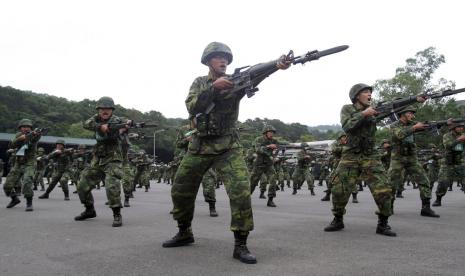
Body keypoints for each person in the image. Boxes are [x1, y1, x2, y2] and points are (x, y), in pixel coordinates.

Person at [162, 42, 290, 264]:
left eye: (226, 58)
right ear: (208, 61)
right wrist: (214, 88)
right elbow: (192, 107)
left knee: (241, 192)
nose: (223, 61)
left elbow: (256, 75)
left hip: (228, 146)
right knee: (180, 190)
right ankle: (184, 232)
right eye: (218, 57)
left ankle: (240, 244)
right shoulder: (200, 82)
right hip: (200, 145)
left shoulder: (237, 82)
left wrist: (276, 66)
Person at [323, 83, 421, 236]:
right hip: (350, 155)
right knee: (339, 189)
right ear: (356, 95)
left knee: (384, 189)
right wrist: (364, 114)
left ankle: (383, 224)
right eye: (366, 92)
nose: (370, 94)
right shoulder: (348, 109)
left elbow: (395, 106)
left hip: (370, 155)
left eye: (370, 92)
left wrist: (414, 99)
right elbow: (347, 127)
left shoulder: (375, 109)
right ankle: (338, 219)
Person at [74, 96, 127, 227]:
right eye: (102, 108)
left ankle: (117, 213)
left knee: (111, 185)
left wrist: (123, 127)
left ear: (112, 110)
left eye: (108, 108)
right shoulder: (95, 119)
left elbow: (124, 125)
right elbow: (86, 124)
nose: (105, 111)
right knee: (82, 184)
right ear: (98, 110)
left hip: (113, 159)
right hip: (98, 158)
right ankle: (89, 209)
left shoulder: (118, 120)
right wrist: (100, 127)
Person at [387, 106, 439, 217]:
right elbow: (399, 135)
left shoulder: (413, 124)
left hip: (412, 157)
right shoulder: (394, 126)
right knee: (392, 183)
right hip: (398, 158)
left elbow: (426, 127)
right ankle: (389, 207)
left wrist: (440, 124)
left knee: (424, 180)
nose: (412, 115)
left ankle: (426, 208)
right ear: (403, 114)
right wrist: (415, 127)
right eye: (410, 113)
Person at [4, 119, 43, 211]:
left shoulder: (34, 135)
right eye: (24, 127)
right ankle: (14, 199)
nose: (26, 128)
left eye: (28, 127)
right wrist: (19, 139)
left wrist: (36, 133)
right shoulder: (18, 135)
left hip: (29, 162)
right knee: (7, 185)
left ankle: (29, 203)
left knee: (27, 181)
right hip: (18, 163)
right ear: (20, 128)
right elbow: (11, 145)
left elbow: (36, 138)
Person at [432, 122, 465, 206]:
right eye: (459, 127)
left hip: (460, 161)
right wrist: (458, 140)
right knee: (443, 182)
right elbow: (448, 146)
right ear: (454, 128)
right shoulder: (447, 136)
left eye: (462, 127)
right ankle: (438, 199)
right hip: (448, 162)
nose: (462, 128)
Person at [249, 125, 282, 207]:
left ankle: (270, 199)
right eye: (270, 132)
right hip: (259, 163)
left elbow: (277, 149)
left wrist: (275, 155)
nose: (271, 134)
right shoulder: (259, 139)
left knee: (273, 179)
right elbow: (258, 150)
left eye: (272, 132)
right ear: (265, 133)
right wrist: (268, 146)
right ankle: (245, 198)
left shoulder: (274, 140)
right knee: (252, 182)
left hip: (269, 164)